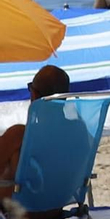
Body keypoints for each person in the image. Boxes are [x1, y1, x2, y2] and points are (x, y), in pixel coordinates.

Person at [0, 66, 71, 202]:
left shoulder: (20, 136)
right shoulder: (78, 131)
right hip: (56, 207)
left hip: (22, 212)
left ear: (34, 95)